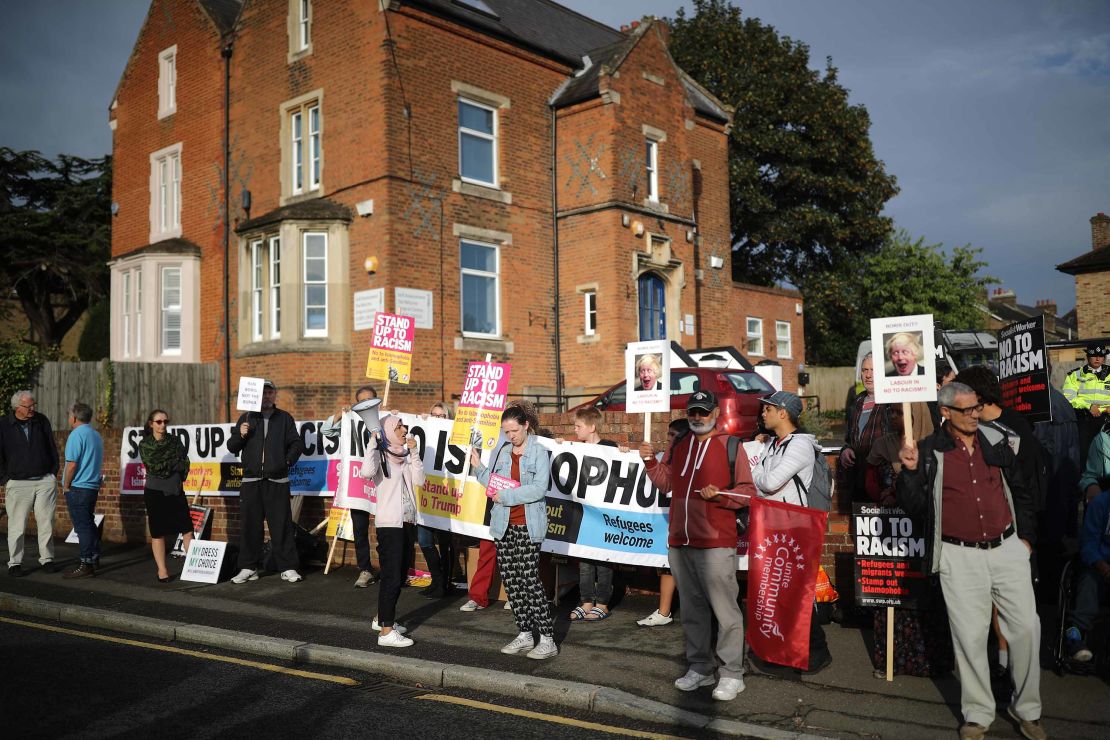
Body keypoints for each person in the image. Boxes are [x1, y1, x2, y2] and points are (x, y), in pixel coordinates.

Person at [896, 382, 1045, 740]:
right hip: (958, 555)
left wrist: (1025, 540)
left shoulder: (996, 440)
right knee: (969, 636)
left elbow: (1021, 490)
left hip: (1007, 547)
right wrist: (911, 473)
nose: (975, 414)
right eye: (966, 409)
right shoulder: (929, 450)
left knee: (1027, 627)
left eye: (977, 407)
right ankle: (978, 713)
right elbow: (914, 509)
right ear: (945, 412)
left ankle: (1026, 710)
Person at [642, 390, 751, 702]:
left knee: (725, 610)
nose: (697, 417)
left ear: (715, 413)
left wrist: (720, 495)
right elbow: (666, 483)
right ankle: (700, 667)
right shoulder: (680, 443)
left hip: (716, 541)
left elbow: (748, 493)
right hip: (680, 539)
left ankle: (731, 673)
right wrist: (650, 461)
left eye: (703, 412)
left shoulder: (732, 445)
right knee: (692, 608)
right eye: (693, 411)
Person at [864, 404, 954, 678]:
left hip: (924, 528)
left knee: (923, 592)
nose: (894, 418)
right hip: (891, 527)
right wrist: (883, 494)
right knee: (892, 590)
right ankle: (891, 659)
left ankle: (928, 660)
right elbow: (868, 478)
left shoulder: (936, 446)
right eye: (890, 413)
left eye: (899, 413)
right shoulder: (883, 444)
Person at [749, 391, 833, 676]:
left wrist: (760, 472)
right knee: (780, 592)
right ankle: (784, 651)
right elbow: (760, 481)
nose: (763, 414)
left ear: (783, 413)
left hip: (796, 525)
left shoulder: (799, 446)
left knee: (798, 593)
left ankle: (817, 652)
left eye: (768, 409)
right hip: (776, 524)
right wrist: (761, 469)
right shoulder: (773, 444)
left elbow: (767, 482)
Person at [470, 402, 557, 660]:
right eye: (506, 432)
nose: (510, 437)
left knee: (530, 580)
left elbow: (539, 488)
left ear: (526, 425)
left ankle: (547, 638)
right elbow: (493, 485)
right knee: (512, 581)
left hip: (528, 525)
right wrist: (478, 467)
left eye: (514, 431)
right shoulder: (502, 451)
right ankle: (525, 633)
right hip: (503, 525)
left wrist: (507, 495)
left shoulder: (539, 452)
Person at [227, 380, 305, 584]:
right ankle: (248, 567)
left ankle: (288, 567)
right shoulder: (246, 418)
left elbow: (296, 444)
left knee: (281, 526)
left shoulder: (284, 418)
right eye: (263, 393)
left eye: (270, 392)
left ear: (275, 395)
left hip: (278, 480)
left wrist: (286, 461)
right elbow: (232, 445)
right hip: (251, 481)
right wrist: (241, 434)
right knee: (250, 526)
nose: (267, 396)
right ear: (255, 396)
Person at [359, 415, 424, 647]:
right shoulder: (381, 455)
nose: (404, 429)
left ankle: (382, 619)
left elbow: (420, 480)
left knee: (399, 575)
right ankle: (386, 633)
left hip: (407, 522)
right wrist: (372, 444)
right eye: (398, 427)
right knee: (391, 577)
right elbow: (366, 472)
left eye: (403, 426)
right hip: (389, 524)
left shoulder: (403, 455)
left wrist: (414, 452)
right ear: (387, 431)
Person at [841, 353, 931, 502]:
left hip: (887, 479)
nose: (868, 375)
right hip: (860, 478)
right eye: (864, 370)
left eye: (873, 370)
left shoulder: (893, 401)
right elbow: (849, 438)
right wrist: (846, 450)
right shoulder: (856, 403)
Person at [321, 385, 380, 588]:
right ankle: (365, 569)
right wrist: (340, 415)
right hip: (358, 482)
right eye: (361, 402)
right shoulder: (350, 421)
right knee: (360, 529)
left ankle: (390, 569)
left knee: (385, 529)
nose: (366, 405)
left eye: (370, 401)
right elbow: (326, 430)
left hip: (382, 481)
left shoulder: (386, 418)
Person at [564, 407, 619, 622]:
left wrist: (623, 453)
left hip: (604, 514)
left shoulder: (610, 448)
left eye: (579, 426)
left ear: (592, 427)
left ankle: (602, 603)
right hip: (585, 514)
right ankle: (586, 601)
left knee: (603, 560)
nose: (575, 430)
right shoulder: (576, 448)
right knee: (585, 560)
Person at [0, 390, 59, 576]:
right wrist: (4, 478)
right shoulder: (3, 424)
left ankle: (47, 559)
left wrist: (52, 473)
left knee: (46, 523)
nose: (32, 409)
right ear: (17, 407)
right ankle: (15, 563)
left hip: (44, 481)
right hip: (17, 483)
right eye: (28, 406)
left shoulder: (41, 420)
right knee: (17, 525)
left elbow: (51, 446)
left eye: (34, 405)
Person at [638, 418, 690, 627]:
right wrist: (650, 460)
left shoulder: (707, 451)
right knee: (670, 565)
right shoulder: (671, 452)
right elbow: (665, 484)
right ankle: (664, 612)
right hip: (679, 519)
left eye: (672, 436)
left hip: (702, 522)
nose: (668, 440)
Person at [138, 409, 193, 582]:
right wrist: (173, 463)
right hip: (155, 491)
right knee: (158, 532)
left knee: (187, 528)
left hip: (175, 489)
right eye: (159, 422)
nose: (163, 425)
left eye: (165, 421)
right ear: (151, 424)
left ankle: (192, 567)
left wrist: (174, 466)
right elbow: (153, 466)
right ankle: (162, 571)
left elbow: (185, 462)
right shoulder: (145, 444)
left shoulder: (175, 441)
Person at [1064, 469, 1110, 663]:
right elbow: (1089, 543)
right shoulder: (1101, 504)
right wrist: (1103, 565)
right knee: (1089, 580)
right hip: (1099, 563)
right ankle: (1076, 634)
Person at [61, 402, 103, 579]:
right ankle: (94, 556)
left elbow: (72, 464)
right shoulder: (96, 435)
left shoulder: (76, 435)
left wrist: (66, 485)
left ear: (75, 417)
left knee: (82, 526)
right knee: (89, 522)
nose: (68, 417)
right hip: (92, 486)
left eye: (69, 414)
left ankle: (86, 562)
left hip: (78, 487)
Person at [1062, 342, 1110, 469]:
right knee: (1085, 456)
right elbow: (1068, 397)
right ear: (1087, 357)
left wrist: (1105, 408)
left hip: (1107, 420)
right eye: (1094, 355)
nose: (1098, 358)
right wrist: (1088, 406)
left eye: (1101, 355)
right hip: (1084, 421)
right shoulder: (1075, 375)